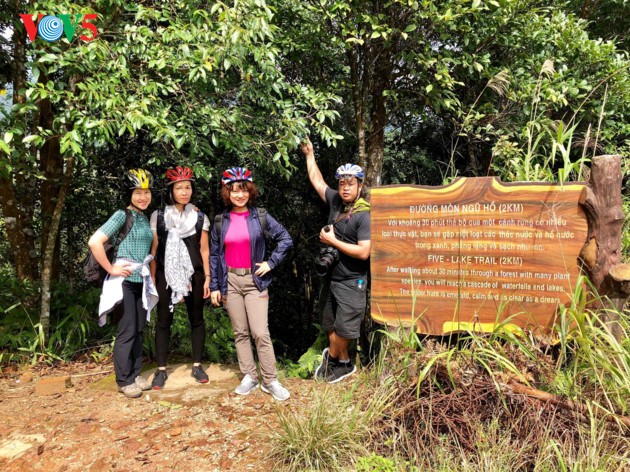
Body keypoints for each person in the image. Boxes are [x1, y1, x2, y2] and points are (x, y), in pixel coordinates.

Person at [210, 167, 293, 401]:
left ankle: (270, 380)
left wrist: (271, 263)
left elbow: (285, 239)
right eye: (235, 190)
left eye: (244, 190)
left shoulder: (260, 216)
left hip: (255, 280)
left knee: (260, 332)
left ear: (250, 191)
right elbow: (215, 255)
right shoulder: (220, 220)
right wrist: (215, 286)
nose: (240, 195)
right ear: (227, 192)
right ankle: (249, 376)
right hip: (231, 281)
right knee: (240, 332)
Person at [301, 139, 371, 383]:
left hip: (352, 281)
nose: (345, 187)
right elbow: (318, 182)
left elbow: (364, 252)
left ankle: (330, 359)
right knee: (330, 324)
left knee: (346, 327)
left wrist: (333, 242)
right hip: (330, 279)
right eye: (342, 183)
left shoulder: (364, 215)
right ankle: (343, 364)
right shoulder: (335, 203)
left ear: (360, 186)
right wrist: (310, 155)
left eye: (351, 183)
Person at [89, 169, 157, 398]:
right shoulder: (121, 215)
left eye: (146, 193)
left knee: (138, 329)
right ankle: (124, 379)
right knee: (127, 330)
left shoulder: (144, 217)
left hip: (141, 280)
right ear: (129, 193)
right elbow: (95, 242)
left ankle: (136, 373)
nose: (143, 197)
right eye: (138, 192)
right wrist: (111, 269)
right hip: (123, 282)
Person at [149, 166, 212, 390]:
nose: (184, 192)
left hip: (194, 274)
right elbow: (155, 250)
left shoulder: (199, 216)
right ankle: (161, 369)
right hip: (166, 274)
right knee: (164, 320)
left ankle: (197, 365)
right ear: (171, 191)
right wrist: (153, 279)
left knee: (197, 318)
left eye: (188, 187)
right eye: (179, 188)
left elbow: (204, 250)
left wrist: (207, 277)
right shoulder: (159, 216)